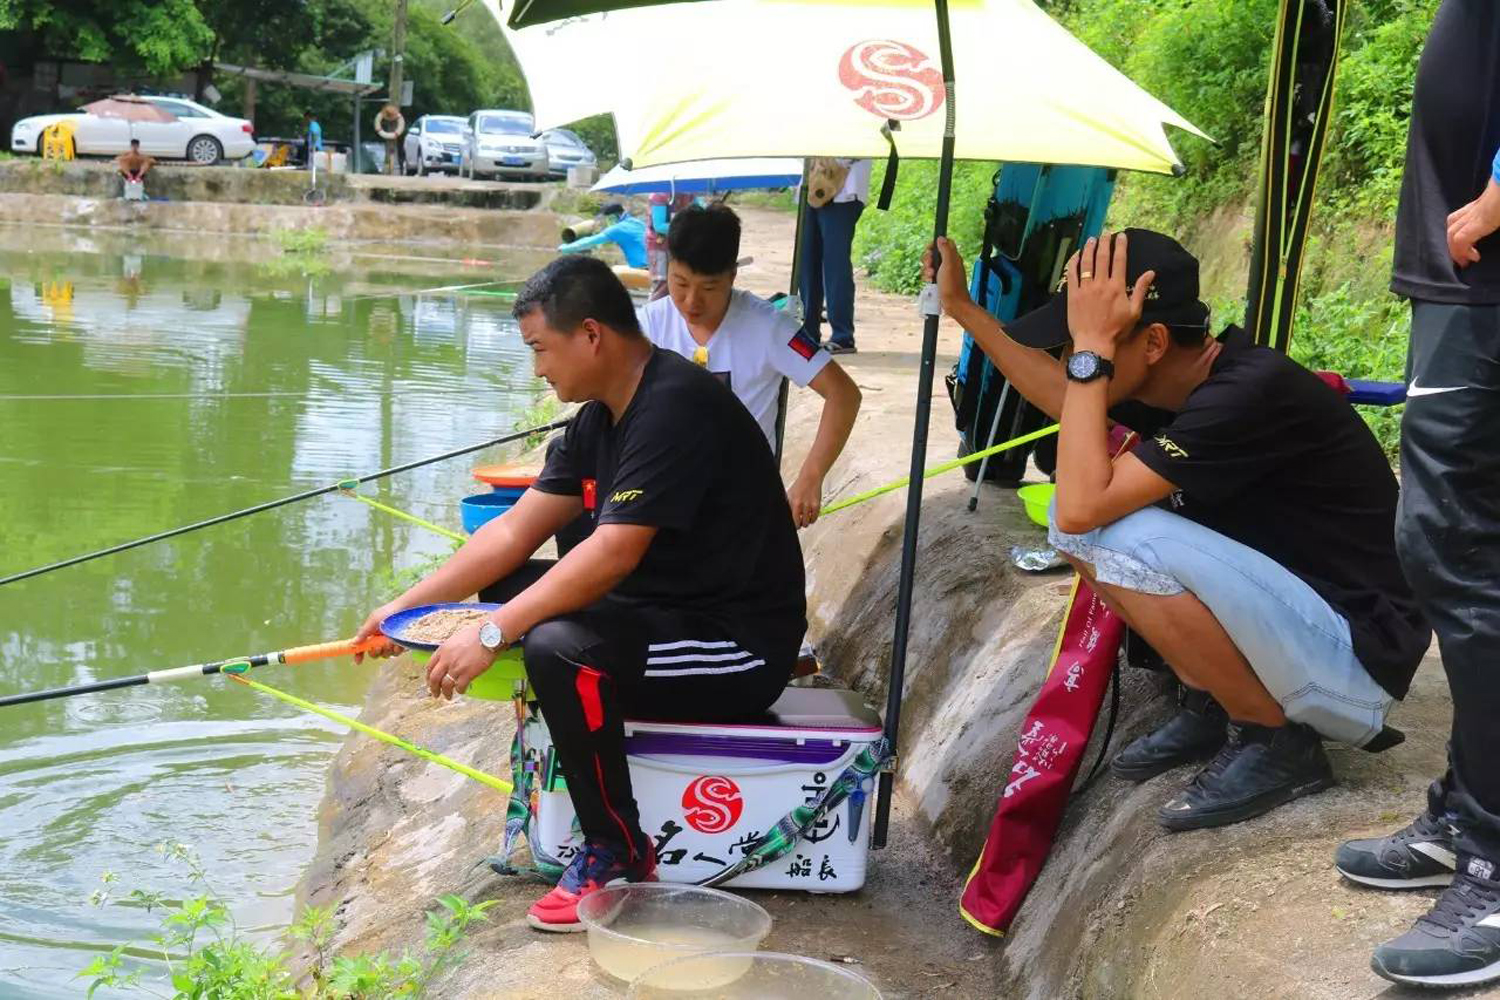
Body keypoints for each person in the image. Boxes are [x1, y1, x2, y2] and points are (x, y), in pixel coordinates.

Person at [353, 255, 806, 931]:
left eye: (541, 349)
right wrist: (404, 608)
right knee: (509, 588)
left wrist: (489, 633)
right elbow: (511, 531)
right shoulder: (600, 418)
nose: (538, 369)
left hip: (732, 643)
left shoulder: (674, 406)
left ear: (591, 335)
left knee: (558, 647)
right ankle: (568, 728)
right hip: (659, 611)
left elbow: (614, 552)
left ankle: (615, 847)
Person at [926, 230, 1428, 832]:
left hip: (1353, 664)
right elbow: (1067, 396)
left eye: (1080, 346)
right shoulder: (1181, 381)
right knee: (1082, 520)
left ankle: (1276, 744)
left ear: (1155, 341)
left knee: (1103, 531)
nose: (1070, 359)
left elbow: (1085, 508)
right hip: (1303, 635)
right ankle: (1216, 702)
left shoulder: (1248, 393)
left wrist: (1093, 353)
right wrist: (963, 308)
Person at [1334, 2, 1500, 988]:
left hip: (1485, 277)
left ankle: (1492, 845)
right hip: (1466, 282)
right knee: (1464, 543)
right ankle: (1470, 811)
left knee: (1452, 545)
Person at [640, 203, 862, 527]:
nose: (691, 302)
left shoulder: (770, 327)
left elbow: (844, 395)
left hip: (742, 502)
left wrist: (810, 476)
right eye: (681, 284)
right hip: (664, 495)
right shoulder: (646, 326)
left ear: (732, 275)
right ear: (669, 267)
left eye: (709, 288)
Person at [799, 158, 870, 354]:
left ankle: (842, 335)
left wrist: (833, 160)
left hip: (844, 189)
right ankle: (808, 331)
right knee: (805, 263)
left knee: (834, 264)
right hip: (811, 184)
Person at [557, 203, 648, 270]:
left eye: (607, 219)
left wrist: (567, 248)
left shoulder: (618, 228)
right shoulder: (636, 222)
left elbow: (591, 241)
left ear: (614, 216)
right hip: (654, 266)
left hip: (643, 268)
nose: (607, 222)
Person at [646, 191, 695, 300]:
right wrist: (689, 227)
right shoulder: (659, 195)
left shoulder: (689, 193)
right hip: (659, 246)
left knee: (681, 280)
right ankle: (653, 312)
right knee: (662, 283)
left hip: (680, 244)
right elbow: (659, 226)